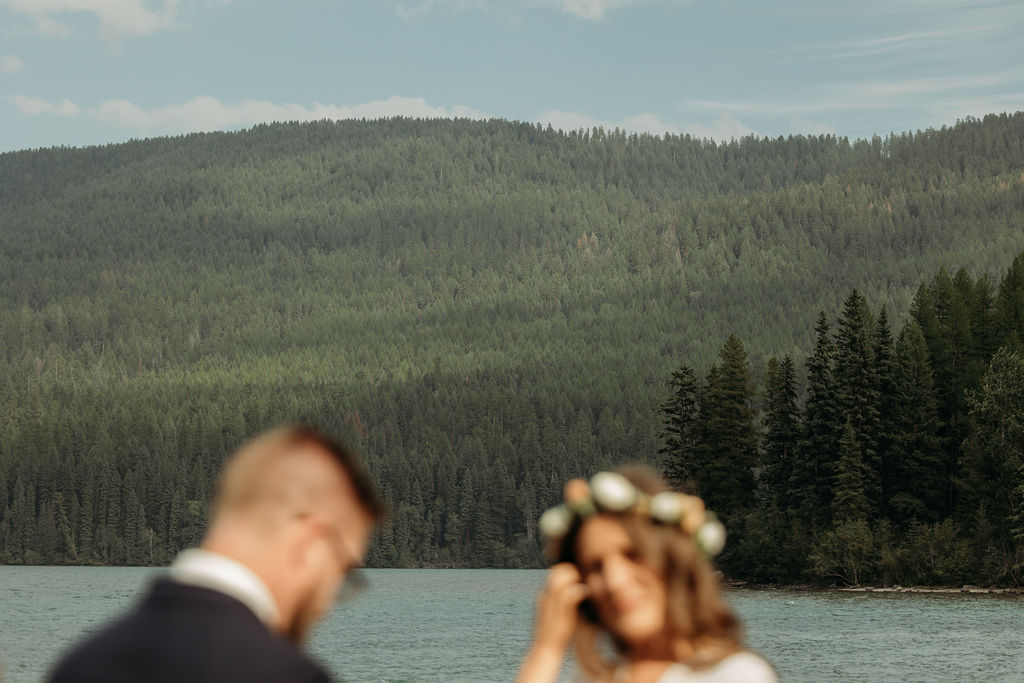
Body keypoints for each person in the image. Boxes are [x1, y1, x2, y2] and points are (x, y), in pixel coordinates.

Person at [49, 424, 386, 683]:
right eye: (342, 571)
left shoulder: (80, 664)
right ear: (308, 542)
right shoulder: (287, 676)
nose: (326, 608)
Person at [517, 467, 777, 683]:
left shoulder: (736, 675)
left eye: (633, 555)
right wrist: (545, 652)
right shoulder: (593, 678)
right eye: (595, 566)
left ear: (673, 560)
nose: (615, 581)